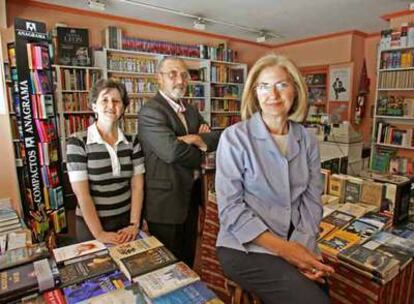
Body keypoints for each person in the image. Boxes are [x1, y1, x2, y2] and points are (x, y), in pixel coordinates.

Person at [215, 53, 335, 304]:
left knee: (322, 291)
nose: (273, 94)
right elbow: (231, 210)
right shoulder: (234, 137)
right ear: (254, 93)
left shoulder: (308, 140)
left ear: (296, 90)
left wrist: (302, 249)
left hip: (296, 240)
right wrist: (288, 252)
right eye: (264, 86)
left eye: (282, 84)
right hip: (245, 246)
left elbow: (312, 202)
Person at [138, 57, 220, 267]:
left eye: (184, 75)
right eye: (172, 74)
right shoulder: (151, 111)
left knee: (188, 262)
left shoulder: (191, 110)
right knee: (166, 267)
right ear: (159, 78)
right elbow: (171, 152)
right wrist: (200, 147)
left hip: (191, 198)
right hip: (165, 203)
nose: (180, 80)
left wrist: (194, 139)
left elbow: (214, 138)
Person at [66, 79, 145, 245]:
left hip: (126, 224)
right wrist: (100, 233)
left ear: (123, 108)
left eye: (116, 101)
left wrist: (134, 224)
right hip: (92, 227)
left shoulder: (132, 141)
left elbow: (137, 186)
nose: (111, 105)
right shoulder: (77, 142)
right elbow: (82, 194)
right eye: (105, 100)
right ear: (94, 106)